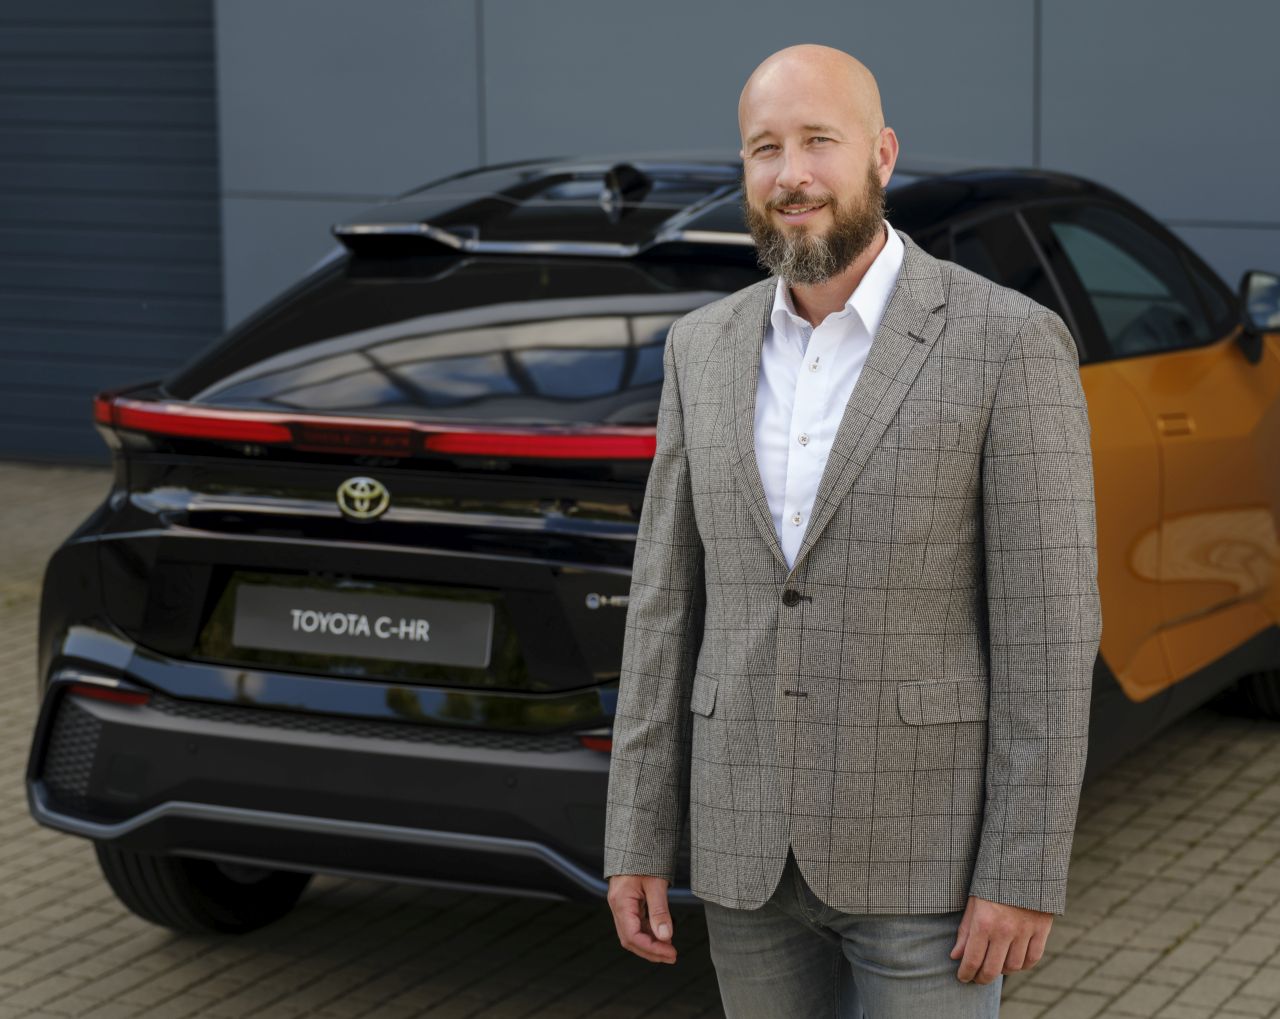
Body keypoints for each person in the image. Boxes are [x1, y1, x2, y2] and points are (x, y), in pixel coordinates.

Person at [603, 43, 1101, 1018]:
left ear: (881, 154)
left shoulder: (1006, 341)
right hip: (742, 850)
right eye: (764, 148)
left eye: (818, 141)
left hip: (927, 860)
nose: (790, 174)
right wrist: (636, 836)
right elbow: (663, 609)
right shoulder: (700, 348)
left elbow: (1048, 627)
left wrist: (1023, 865)